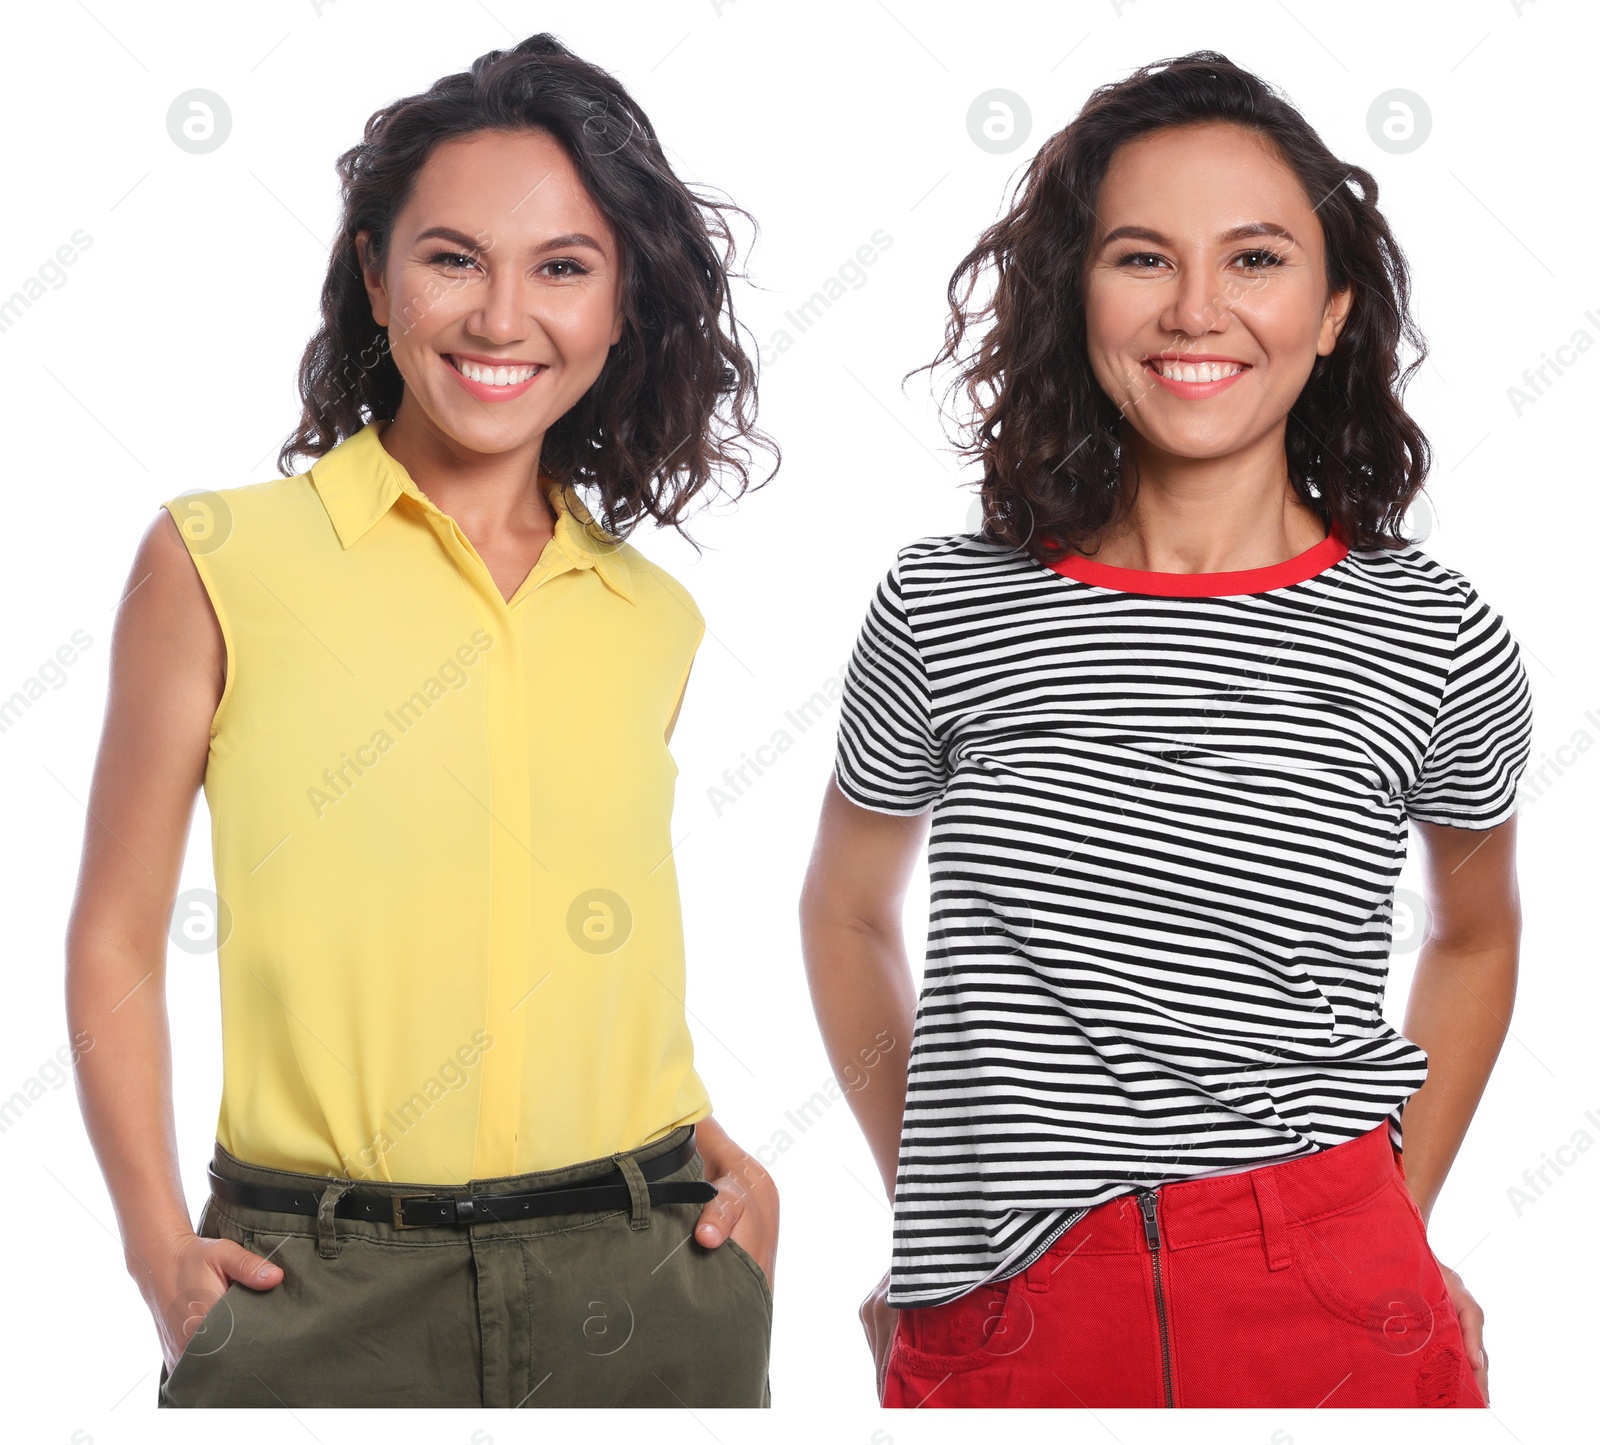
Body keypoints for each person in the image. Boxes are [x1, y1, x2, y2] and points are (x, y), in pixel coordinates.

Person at [801, 51, 1530, 1409]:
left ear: (1332, 312)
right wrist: (941, 1215)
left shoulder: (1435, 633)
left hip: (1327, 1283)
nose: (1199, 307)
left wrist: (1396, 1220)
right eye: (1142, 257)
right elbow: (847, 911)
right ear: (1076, 296)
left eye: (1255, 259)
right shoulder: (944, 605)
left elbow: (1477, 927)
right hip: (1009, 1314)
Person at [66, 33, 779, 1409]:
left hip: (649, 1277)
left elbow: (576, 939)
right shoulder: (217, 559)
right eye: (454, 258)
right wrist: (158, 1248)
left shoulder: (652, 614)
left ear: (624, 305)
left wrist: (730, 1171)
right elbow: (112, 930)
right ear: (375, 277)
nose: (502, 317)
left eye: (563, 267)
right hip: (311, 1289)